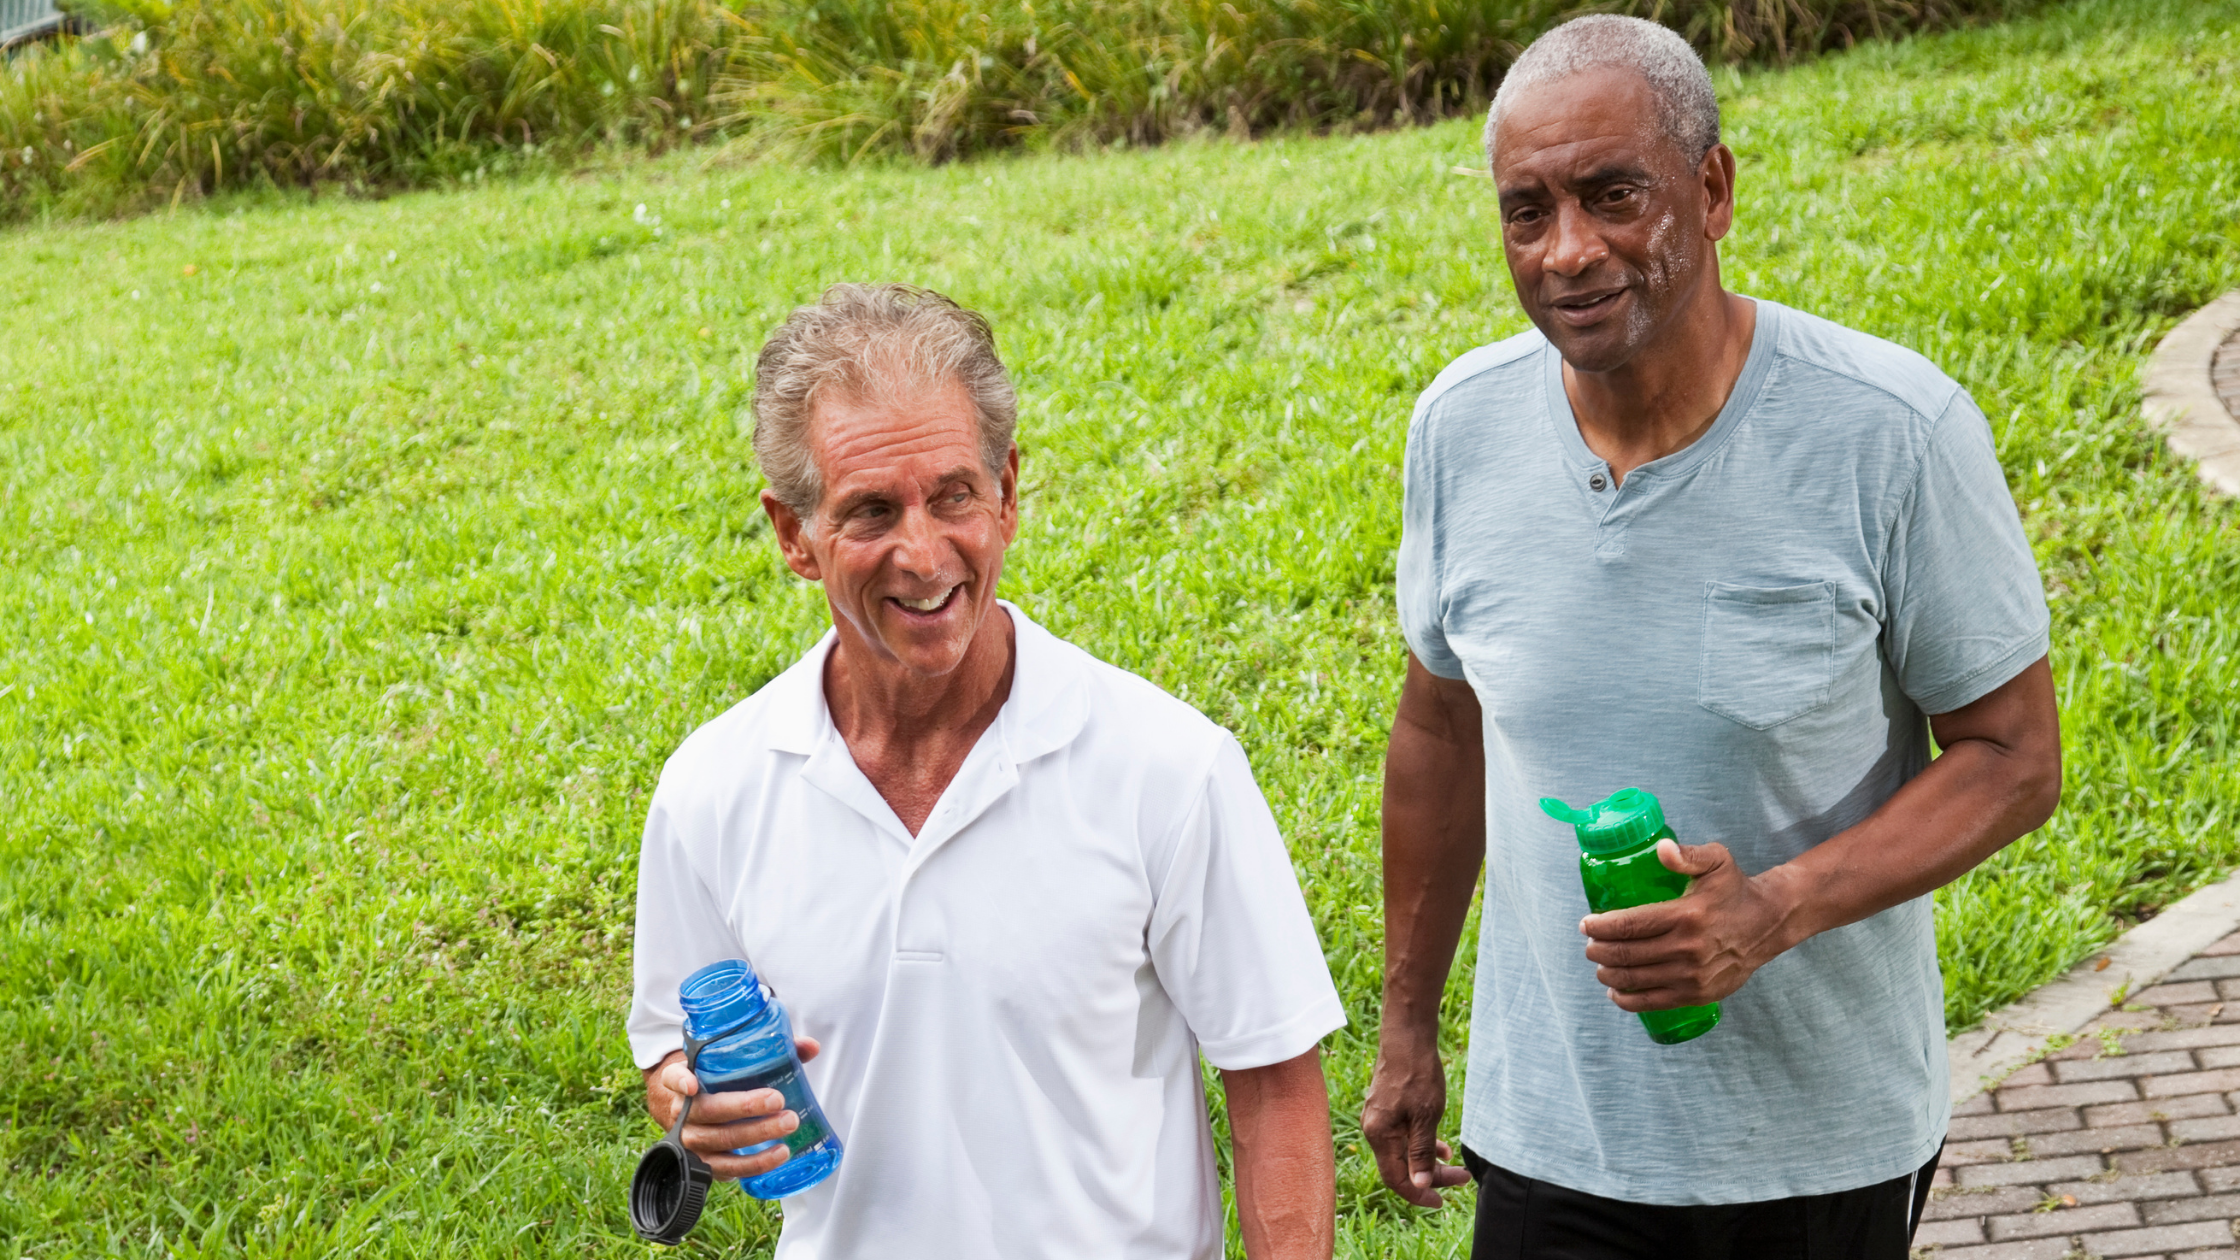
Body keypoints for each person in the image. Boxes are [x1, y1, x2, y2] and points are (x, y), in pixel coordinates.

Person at [1359, 15, 2062, 1259]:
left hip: (1813, 1149)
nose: (1568, 253)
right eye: (1526, 211)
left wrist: (1775, 908)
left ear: (1713, 187)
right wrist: (1406, 1027)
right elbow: (1437, 722)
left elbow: (2012, 757)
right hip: (1546, 1138)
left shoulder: (1887, 431)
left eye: (1611, 195)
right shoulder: (1458, 428)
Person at [627, 283, 1346, 1260]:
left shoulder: (1167, 769)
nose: (923, 557)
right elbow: (674, 1047)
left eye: (953, 495)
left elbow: (1274, 1084)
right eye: (870, 511)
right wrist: (686, 1100)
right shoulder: (711, 792)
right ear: (793, 535)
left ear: (1007, 492)